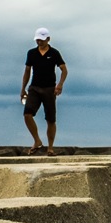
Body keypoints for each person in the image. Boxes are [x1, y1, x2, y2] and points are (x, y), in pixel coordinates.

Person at [20, 27, 67, 156]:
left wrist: (60, 85)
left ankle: (50, 148)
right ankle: (37, 141)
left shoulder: (54, 53)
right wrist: (23, 88)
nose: (39, 42)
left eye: (41, 40)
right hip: (34, 88)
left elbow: (64, 70)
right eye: (37, 40)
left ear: (48, 39)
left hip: (50, 89)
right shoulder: (32, 53)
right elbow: (27, 71)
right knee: (27, 114)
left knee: (51, 119)